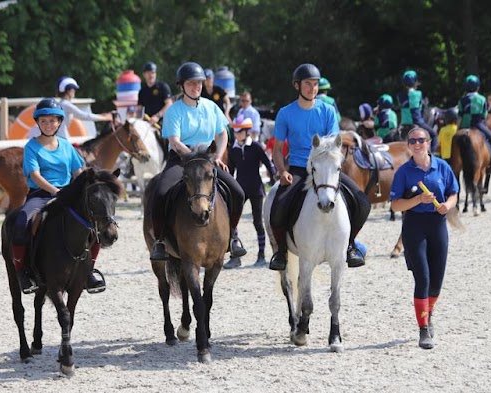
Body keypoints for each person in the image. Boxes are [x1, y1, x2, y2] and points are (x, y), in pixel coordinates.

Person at [268, 63, 370, 271]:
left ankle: (350, 245)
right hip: (298, 168)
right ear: (297, 85)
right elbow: (277, 149)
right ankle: (280, 252)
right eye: (308, 84)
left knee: (362, 201)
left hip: (324, 170)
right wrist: (282, 171)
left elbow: (333, 143)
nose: (312, 88)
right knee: (278, 207)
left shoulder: (328, 111)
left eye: (315, 84)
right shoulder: (285, 113)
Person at [148, 62, 247, 262]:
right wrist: (192, 157)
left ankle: (233, 235)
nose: (197, 86)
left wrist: (218, 156)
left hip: (208, 159)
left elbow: (222, 134)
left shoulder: (212, 107)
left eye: (199, 83)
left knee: (238, 191)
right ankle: (160, 240)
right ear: (182, 85)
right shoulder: (174, 110)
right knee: (160, 193)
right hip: (181, 159)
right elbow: (174, 141)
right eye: (192, 83)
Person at [11, 98, 107, 294]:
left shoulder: (66, 145)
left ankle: (89, 271)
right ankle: (23, 272)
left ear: (59, 122)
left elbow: (78, 171)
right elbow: (35, 175)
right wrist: (55, 191)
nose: (48, 124)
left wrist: (86, 186)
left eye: (52, 121)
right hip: (41, 195)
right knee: (21, 221)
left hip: (68, 193)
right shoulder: (31, 146)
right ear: (38, 123)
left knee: (96, 225)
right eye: (44, 121)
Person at [390, 127, 459, 349]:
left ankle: (429, 314)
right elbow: (395, 204)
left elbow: (453, 192)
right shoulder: (403, 172)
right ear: (408, 145)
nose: (417, 144)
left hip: (438, 225)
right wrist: (418, 199)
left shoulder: (443, 167)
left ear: (429, 143)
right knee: (423, 278)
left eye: (421, 140)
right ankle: (423, 329)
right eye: (413, 141)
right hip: (414, 226)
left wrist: (447, 206)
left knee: (437, 281)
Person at [225, 116, 275, 268]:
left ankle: (261, 255)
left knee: (257, 222)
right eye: (235, 131)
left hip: (256, 189)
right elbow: (231, 171)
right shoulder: (232, 150)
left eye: (239, 131)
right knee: (232, 221)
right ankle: (235, 255)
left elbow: (268, 164)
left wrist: (275, 176)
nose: (236, 134)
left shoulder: (256, 147)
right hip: (240, 190)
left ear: (247, 132)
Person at [27, 76, 113, 141]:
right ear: (68, 91)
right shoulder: (66, 105)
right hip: (57, 139)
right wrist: (105, 118)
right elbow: (84, 116)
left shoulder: (61, 104)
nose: (74, 92)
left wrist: (101, 116)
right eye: (74, 90)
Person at [458, 74, 491, 174]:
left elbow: (460, 116)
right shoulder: (482, 99)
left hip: (464, 125)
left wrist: (458, 129)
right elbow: (484, 115)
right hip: (478, 125)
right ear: (477, 86)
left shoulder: (462, 100)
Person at [397, 70, 437, 149]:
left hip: (403, 123)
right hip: (417, 121)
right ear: (414, 81)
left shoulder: (400, 95)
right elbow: (417, 110)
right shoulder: (417, 93)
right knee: (433, 135)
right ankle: (431, 157)